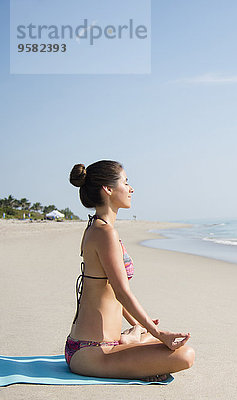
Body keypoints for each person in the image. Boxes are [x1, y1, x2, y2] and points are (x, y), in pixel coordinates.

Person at [66, 160, 194, 381]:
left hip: (92, 345)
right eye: (125, 183)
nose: (131, 188)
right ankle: (132, 346)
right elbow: (121, 292)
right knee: (185, 355)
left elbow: (109, 291)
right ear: (108, 189)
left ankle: (131, 338)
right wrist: (159, 334)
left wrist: (137, 325)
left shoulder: (97, 227)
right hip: (94, 351)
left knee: (151, 335)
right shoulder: (104, 233)